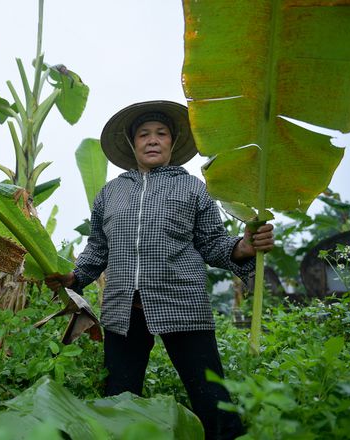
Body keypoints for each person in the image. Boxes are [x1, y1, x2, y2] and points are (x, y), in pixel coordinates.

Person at [45, 101, 274, 440]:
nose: (152, 140)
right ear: (132, 143)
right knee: (119, 399)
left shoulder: (194, 188)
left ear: (172, 142)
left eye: (161, 134)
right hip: (124, 310)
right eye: (144, 134)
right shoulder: (111, 193)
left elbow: (212, 242)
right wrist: (75, 277)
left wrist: (243, 247)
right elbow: (98, 248)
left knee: (211, 398)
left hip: (182, 304)